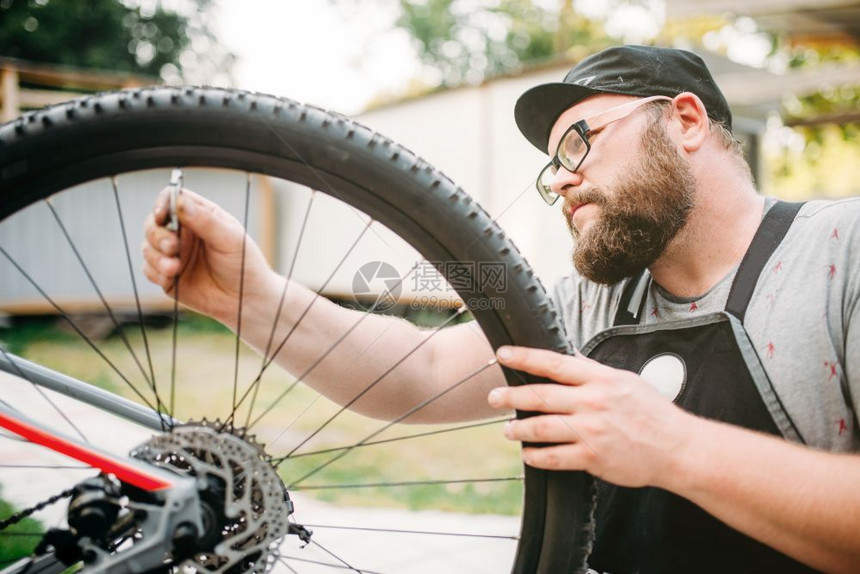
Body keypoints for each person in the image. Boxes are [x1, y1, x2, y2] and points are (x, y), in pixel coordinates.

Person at [142, 45, 860, 573]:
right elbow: (420, 370)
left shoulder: (841, 251)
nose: (563, 179)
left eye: (580, 141)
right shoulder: (595, 303)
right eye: (552, 165)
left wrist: (672, 446)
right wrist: (251, 296)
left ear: (686, 121)